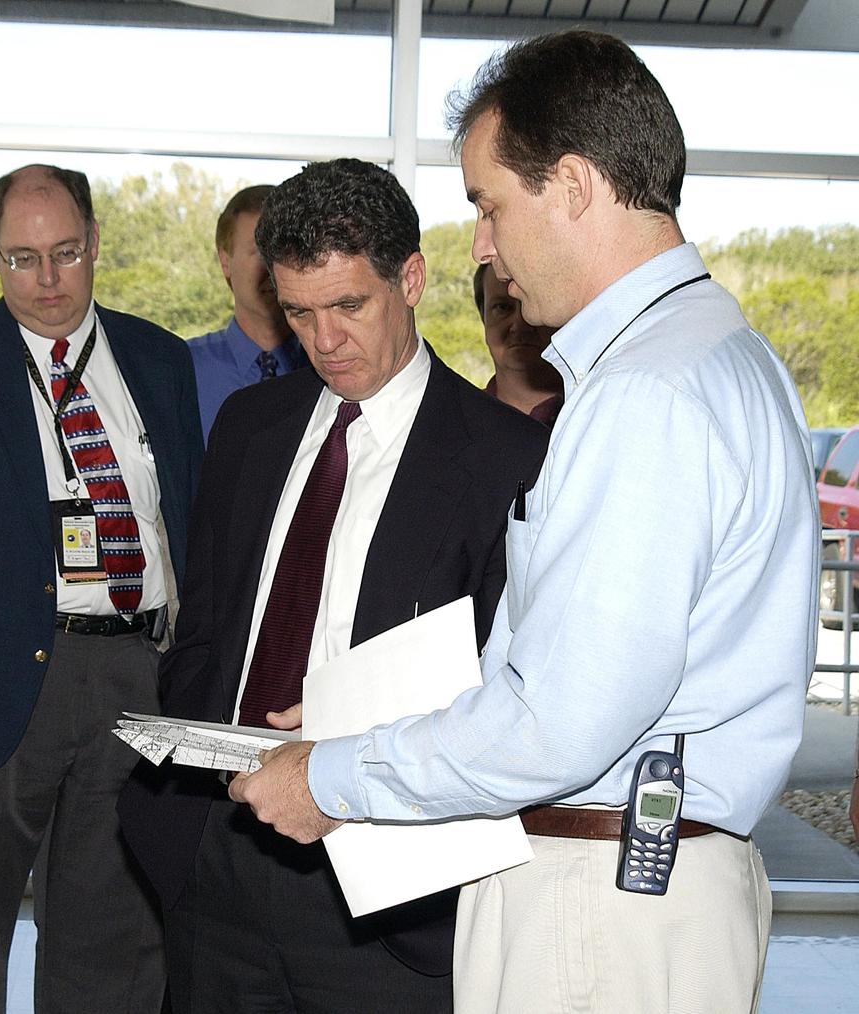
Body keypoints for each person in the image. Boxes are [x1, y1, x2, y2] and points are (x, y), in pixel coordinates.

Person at [232, 31, 819, 1014]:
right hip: (640, 886)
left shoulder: (646, 393)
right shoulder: (721, 354)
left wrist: (333, 775)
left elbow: (559, 722)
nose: (483, 246)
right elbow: (583, 672)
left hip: (597, 904)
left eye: (489, 203)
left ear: (576, 186)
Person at [118, 157, 548, 1013]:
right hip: (220, 849)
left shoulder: (505, 456)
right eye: (300, 312)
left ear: (412, 279)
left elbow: (512, 692)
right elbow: (205, 627)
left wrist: (351, 737)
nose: (325, 340)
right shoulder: (249, 427)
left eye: (350, 305)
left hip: (387, 881)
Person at [0, 163, 202, 1014]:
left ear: (96, 242)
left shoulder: (160, 358)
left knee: (116, 933)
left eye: (65, 252)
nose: (49, 279)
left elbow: (188, 516)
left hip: (138, 673)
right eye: (23, 259)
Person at [189, 184, 308, 442]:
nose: (273, 268)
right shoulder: (183, 369)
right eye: (259, 252)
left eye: (284, 252)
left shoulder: (331, 366)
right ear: (225, 262)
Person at [474, 261, 562, 425]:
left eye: (533, 305)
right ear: (483, 317)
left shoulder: (601, 412)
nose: (519, 324)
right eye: (502, 307)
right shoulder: (452, 422)